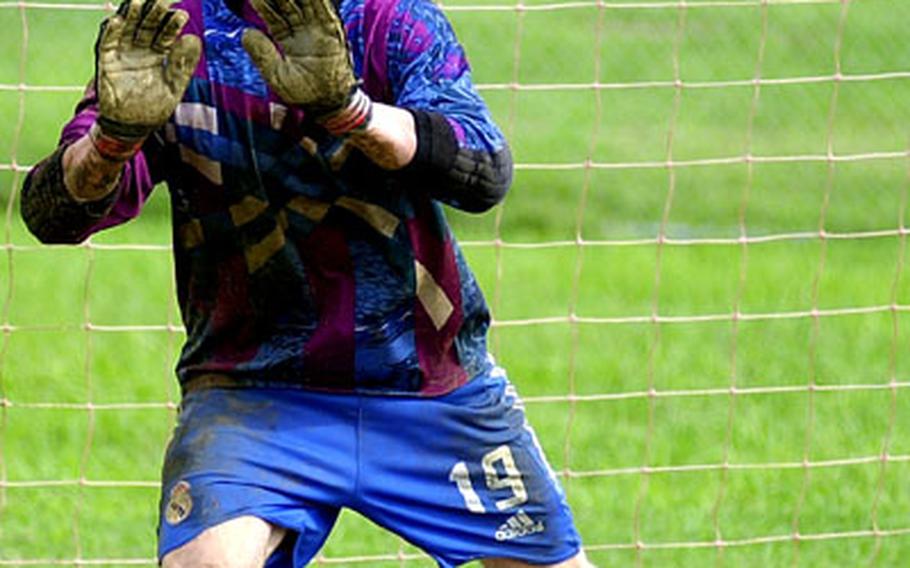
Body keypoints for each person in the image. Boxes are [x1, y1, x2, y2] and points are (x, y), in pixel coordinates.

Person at [21, 0, 592, 565]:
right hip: (254, 391)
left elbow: (484, 169)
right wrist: (112, 143)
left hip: (428, 384)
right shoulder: (169, 29)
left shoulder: (388, 20)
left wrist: (352, 112)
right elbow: (51, 213)